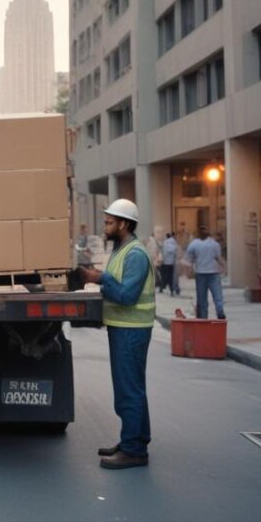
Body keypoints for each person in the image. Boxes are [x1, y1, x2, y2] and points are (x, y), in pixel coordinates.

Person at [79, 199, 155, 470]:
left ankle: (134, 450)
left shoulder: (134, 254)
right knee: (133, 388)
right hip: (124, 329)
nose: (106, 226)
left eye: (110, 222)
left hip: (131, 331)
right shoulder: (122, 249)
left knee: (128, 391)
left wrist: (98, 279)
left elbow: (126, 295)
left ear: (123, 224)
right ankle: (135, 440)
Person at [185, 225, 226, 320]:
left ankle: (203, 319)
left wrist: (189, 269)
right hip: (213, 274)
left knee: (202, 299)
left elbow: (189, 260)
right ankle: (220, 312)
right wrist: (224, 267)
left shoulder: (194, 244)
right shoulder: (214, 244)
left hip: (201, 274)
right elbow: (219, 258)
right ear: (208, 234)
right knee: (217, 296)